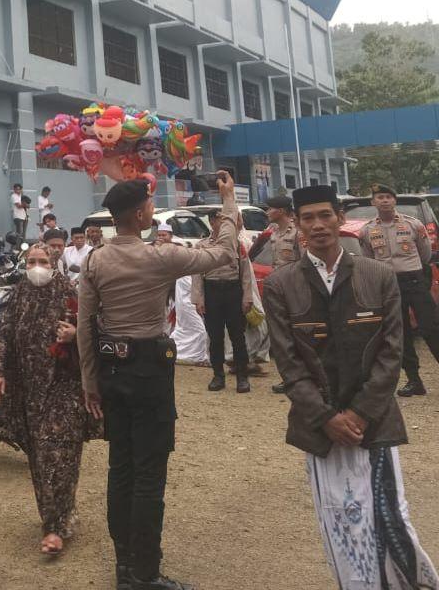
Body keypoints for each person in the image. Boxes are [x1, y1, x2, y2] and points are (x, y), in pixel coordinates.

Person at [263, 185, 439, 590]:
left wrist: (360, 411)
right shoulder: (281, 284)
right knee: (339, 522)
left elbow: (391, 351)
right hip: (320, 426)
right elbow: (288, 363)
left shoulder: (377, 275)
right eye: (307, 217)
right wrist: (326, 417)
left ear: (340, 218)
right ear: (297, 223)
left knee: (392, 518)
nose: (318, 225)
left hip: (374, 421)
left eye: (325, 215)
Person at [77, 172, 240, 590]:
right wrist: (226, 203)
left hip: (111, 371)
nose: (153, 209)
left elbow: (84, 325)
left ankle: (124, 565)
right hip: (149, 370)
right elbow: (222, 253)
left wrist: (90, 381)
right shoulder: (160, 256)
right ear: (138, 213)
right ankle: (145, 573)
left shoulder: (95, 258)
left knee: (121, 468)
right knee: (149, 474)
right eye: (149, 204)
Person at [0, 245, 94, 556]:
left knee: (59, 455)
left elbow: (93, 328)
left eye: (43, 261)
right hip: (28, 392)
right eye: (32, 261)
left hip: (64, 388)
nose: (37, 267)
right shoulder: (19, 294)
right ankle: (54, 518)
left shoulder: (69, 291)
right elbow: (4, 335)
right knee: (39, 458)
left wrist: (75, 334)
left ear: (54, 263)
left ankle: (57, 526)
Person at [358, 184, 439, 402]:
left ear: (394, 201)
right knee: (400, 334)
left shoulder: (413, 225)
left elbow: (426, 255)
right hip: (388, 286)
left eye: (389, 197)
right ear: (373, 202)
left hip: (415, 281)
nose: (385, 201)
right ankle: (414, 380)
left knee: (432, 329)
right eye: (380, 197)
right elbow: (369, 259)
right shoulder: (367, 230)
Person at [191, 217, 255, 393]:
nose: (226, 225)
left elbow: (246, 272)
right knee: (215, 337)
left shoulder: (237, 244)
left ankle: (242, 377)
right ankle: (218, 375)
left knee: (238, 336)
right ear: (212, 223)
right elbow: (197, 274)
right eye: (221, 221)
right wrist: (198, 299)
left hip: (233, 290)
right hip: (212, 291)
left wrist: (247, 297)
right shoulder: (202, 245)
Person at [249, 196, 300, 394]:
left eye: (270, 209)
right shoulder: (273, 233)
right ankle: (288, 377)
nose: (267, 212)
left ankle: (304, 378)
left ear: (281, 210)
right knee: (282, 336)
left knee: (298, 335)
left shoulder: (297, 232)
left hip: (295, 287)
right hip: (278, 287)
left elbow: (305, 262)